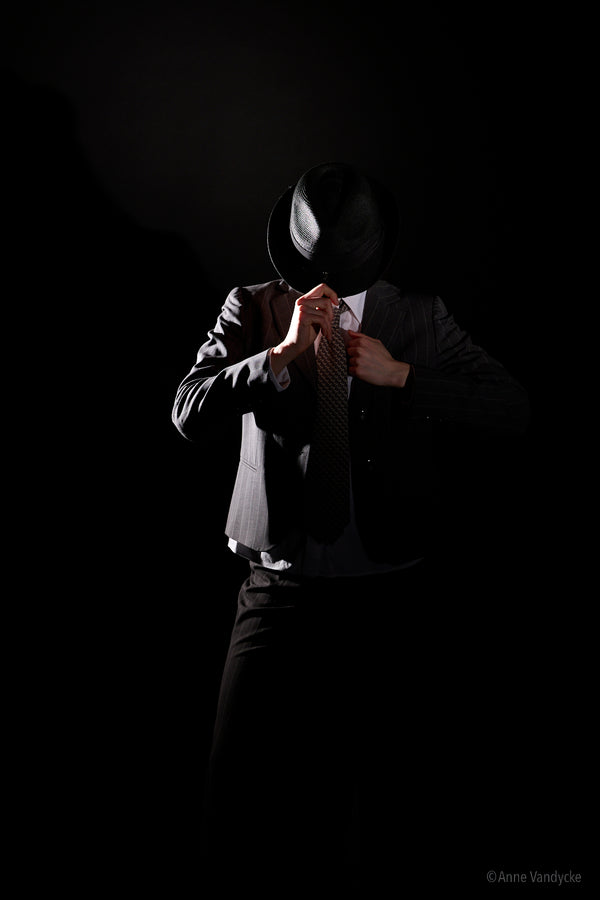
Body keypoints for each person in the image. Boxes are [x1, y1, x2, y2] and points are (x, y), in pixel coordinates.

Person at [171, 162, 529, 894]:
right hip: (278, 594)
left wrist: (405, 378)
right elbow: (187, 409)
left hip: (390, 598)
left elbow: (513, 409)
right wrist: (275, 358)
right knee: (234, 805)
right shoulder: (252, 306)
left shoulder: (418, 316)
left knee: (394, 814)